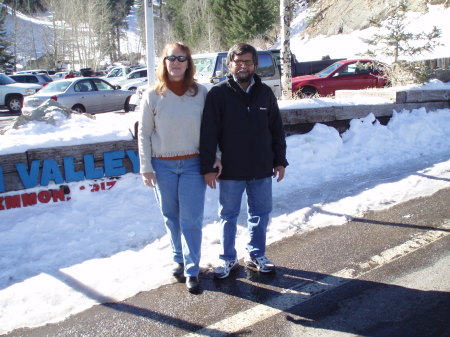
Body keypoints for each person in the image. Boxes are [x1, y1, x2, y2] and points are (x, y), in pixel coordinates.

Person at [200, 43, 288, 279]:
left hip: (261, 167)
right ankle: (228, 258)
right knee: (228, 215)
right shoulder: (218, 94)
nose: (243, 66)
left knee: (260, 213)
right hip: (230, 169)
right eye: (238, 62)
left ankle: (256, 253)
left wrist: (280, 160)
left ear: (255, 65)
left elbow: (276, 129)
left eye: (248, 62)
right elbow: (208, 134)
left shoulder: (265, 93)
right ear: (229, 64)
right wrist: (208, 166)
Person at [138, 42, 208, 293]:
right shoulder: (152, 95)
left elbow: (212, 131)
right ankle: (178, 259)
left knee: (191, 219)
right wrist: (145, 167)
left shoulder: (201, 93)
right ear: (164, 62)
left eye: (182, 58)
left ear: (188, 63)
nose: (176, 63)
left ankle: (192, 269)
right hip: (162, 166)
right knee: (171, 216)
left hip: (193, 165)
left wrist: (217, 156)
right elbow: (144, 134)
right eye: (171, 58)